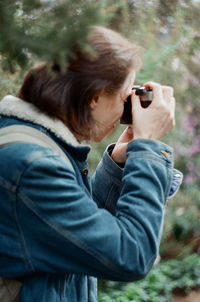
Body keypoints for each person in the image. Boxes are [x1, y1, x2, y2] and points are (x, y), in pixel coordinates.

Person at [0, 26, 182, 302]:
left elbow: (81, 233)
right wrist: (147, 146)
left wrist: (120, 162)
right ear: (95, 97)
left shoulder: (42, 146)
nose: (127, 110)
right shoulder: (30, 165)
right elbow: (131, 255)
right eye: (125, 97)